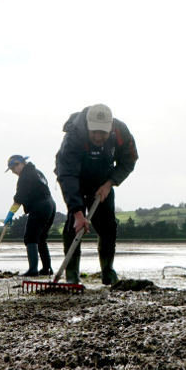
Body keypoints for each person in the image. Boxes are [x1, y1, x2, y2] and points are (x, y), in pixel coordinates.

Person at [54, 103, 138, 285]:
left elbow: (129, 160)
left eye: (103, 133)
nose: (98, 137)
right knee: (73, 226)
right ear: (87, 127)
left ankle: (108, 271)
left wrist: (110, 183)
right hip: (75, 179)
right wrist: (78, 213)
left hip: (103, 181)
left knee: (108, 226)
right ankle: (71, 276)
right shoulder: (74, 135)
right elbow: (66, 174)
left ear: (110, 128)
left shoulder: (120, 132)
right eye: (94, 132)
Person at [4, 154, 57, 277]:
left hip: (40, 206)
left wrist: (10, 214)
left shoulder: (25, 176)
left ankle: (33, 269)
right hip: (50, 204)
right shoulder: (37, 172)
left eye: (13, 169)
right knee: (41, 238)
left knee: (30, 237)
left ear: (20, 164)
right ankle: (46, 268)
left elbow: (19, 198)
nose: (13, 172)